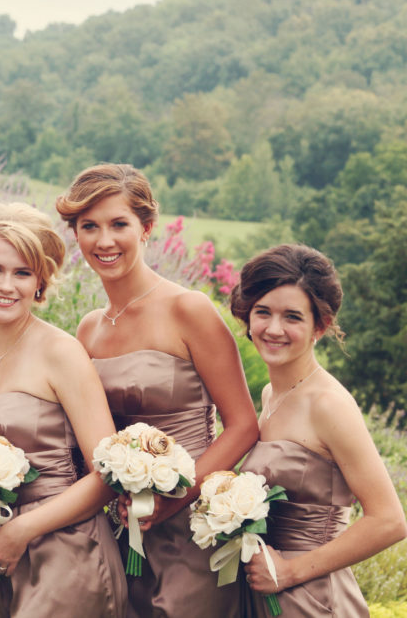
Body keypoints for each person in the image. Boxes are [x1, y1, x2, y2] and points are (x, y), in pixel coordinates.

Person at [56, 163, 258, 618]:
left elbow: (243, 426)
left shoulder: (189, 310)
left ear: (147, 228)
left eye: (118, 224)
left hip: (192, 529)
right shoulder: (86, 330)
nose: (103, 241)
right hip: (118, 529)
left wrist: (175, 499)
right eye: (89, 227)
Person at [0, 203, 127, 617]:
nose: (6, 285)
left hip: (68, 552)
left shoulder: (60, 353)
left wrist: (24, 528)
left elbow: (108, 474)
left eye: (22, 273)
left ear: (40, 282)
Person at [230, 244, 406, 617]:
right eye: (263, 312)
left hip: (311, 598)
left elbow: (389, 520)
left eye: (292, 317)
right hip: (263, 593)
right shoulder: (271, 393)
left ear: (320, 326)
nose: (273, 329)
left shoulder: (328, 404)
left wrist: (291, 571)